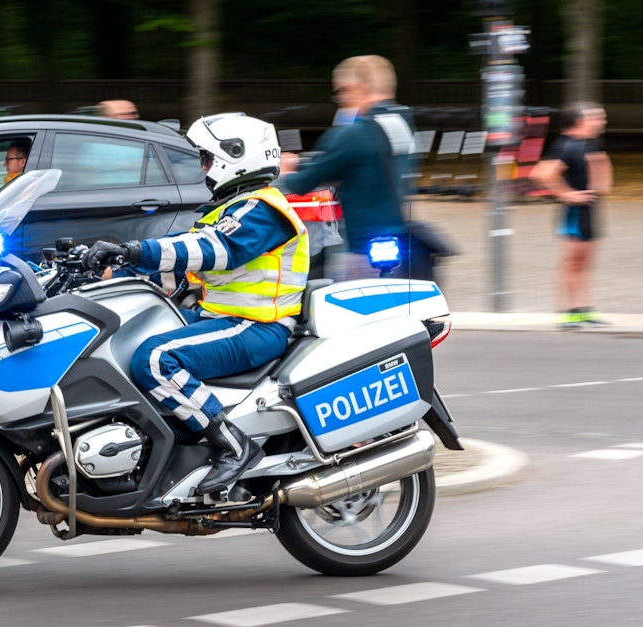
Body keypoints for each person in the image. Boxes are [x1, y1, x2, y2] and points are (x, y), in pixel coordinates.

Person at [83, 113, 305, 500]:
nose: (203, 168)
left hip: (256, 326)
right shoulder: (232, 209)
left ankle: (234, 446)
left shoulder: (263, 210)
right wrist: (106, 271)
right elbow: (180, 271)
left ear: (235, 155)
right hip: (222, 318)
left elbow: (213, 250)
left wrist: (132, 250)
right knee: (126, 328)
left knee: (154, 359)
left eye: (207, 158)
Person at [276, 55, 414, 280]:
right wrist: (299, 162)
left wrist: (284, 173)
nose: (341, 99)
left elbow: (304, 182)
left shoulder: (355, 133)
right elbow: (357, 160)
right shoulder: (403, 123)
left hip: (360, 251)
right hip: (399, 246)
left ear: (357, 88)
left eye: (341, 92)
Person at [529, 102, 612, 329]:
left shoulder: (588, 144)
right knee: (572, 262)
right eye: (598, 118)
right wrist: (566, 194)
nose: (603, 122)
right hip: (575, 212)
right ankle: (567, 312)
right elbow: (541, 173)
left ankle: (584, 309)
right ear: (581, 121)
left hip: (590, 209)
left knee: (584, 262)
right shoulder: (567, 144)